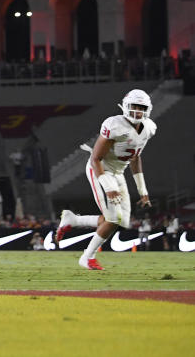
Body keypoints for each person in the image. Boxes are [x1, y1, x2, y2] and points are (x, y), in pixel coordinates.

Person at [54, 89, 157, 270]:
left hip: (117, 172)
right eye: (134, 107)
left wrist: (143, 191)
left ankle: (73, 221)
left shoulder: (149, 128)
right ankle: (87, 257)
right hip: (99, 170)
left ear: (147, 109)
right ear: (125, 106)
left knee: (121, 221)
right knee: (113, 219)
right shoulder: (114, 124)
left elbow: (135, 158)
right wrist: (108, 186)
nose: (137, 111)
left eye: (141, 108)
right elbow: (95, 159)